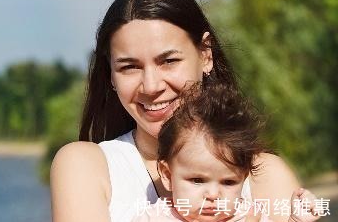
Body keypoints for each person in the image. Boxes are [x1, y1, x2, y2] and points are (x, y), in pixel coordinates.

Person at [50, 0, 300, 222]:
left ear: (206, 55)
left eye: (168, 61)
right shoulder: (86, 167)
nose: (151, 86)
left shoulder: (264, 176)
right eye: (129, 67)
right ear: (111, 76)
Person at [132, 82, 319, 222]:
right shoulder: (155, 217)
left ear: (244, 178)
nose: (213, 195)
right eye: (197, 180)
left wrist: (296, 219)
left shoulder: (248, 214)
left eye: (229, 182)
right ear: (167, 175)